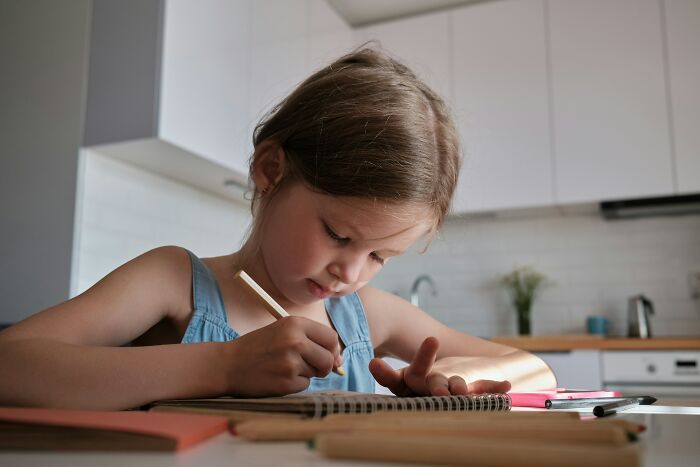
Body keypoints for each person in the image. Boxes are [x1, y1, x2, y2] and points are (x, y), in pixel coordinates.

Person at [0, 48, 555, 410]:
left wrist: (462, 378)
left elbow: (536, 371)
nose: (351, 272)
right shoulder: (175, 283)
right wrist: (224, 364)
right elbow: (12, 366)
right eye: (339, 235)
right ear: (270, 171)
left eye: (381, 257)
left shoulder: (365, 316)